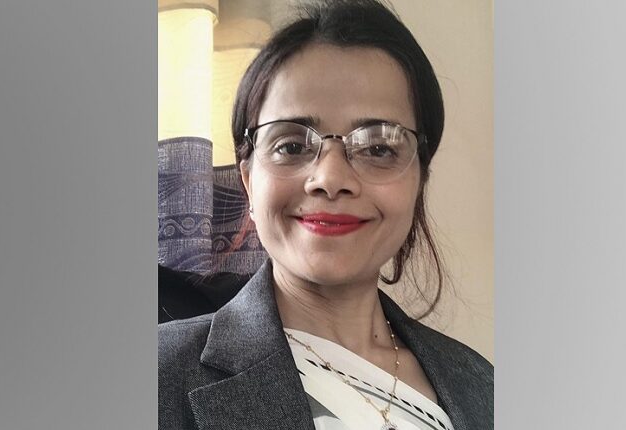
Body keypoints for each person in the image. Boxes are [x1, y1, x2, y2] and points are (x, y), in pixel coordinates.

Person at [158, 1, 493, 429]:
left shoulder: (484, 386)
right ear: (248, 180)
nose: (331, 179)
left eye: (378, 148)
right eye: (292, 146)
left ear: (419, 180)